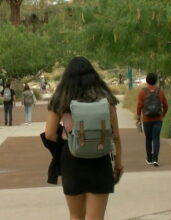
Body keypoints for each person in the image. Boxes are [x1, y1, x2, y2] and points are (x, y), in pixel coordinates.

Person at [44, 56, 124, 220]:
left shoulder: (61, 97)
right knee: (96, 217)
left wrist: (69, 135)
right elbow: (115, 135)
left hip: (72, 159)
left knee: (76, 215)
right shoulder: (105, 97)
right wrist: (118, 162)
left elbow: (49, 134)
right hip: (100, 157)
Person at [136, 73, 168, 167]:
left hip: (147, 119)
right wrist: (163, 115)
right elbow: (166, 105)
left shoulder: (143, 92)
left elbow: (139, 106)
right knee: (156, 138)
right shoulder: (160, 91)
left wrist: (138, 116)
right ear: (156, 81)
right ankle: (155, 159)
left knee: (148, 138)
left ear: (146, 80)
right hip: (158, 118)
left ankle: (149, 159)